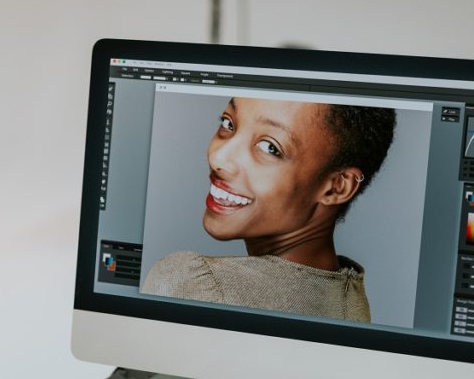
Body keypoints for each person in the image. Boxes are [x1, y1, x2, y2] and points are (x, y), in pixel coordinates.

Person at [141, 97, 395, 322]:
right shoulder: (350, 306)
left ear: (336, 188)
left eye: (270, 147)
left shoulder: (196, 288)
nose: (218, 158)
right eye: (229, 124)